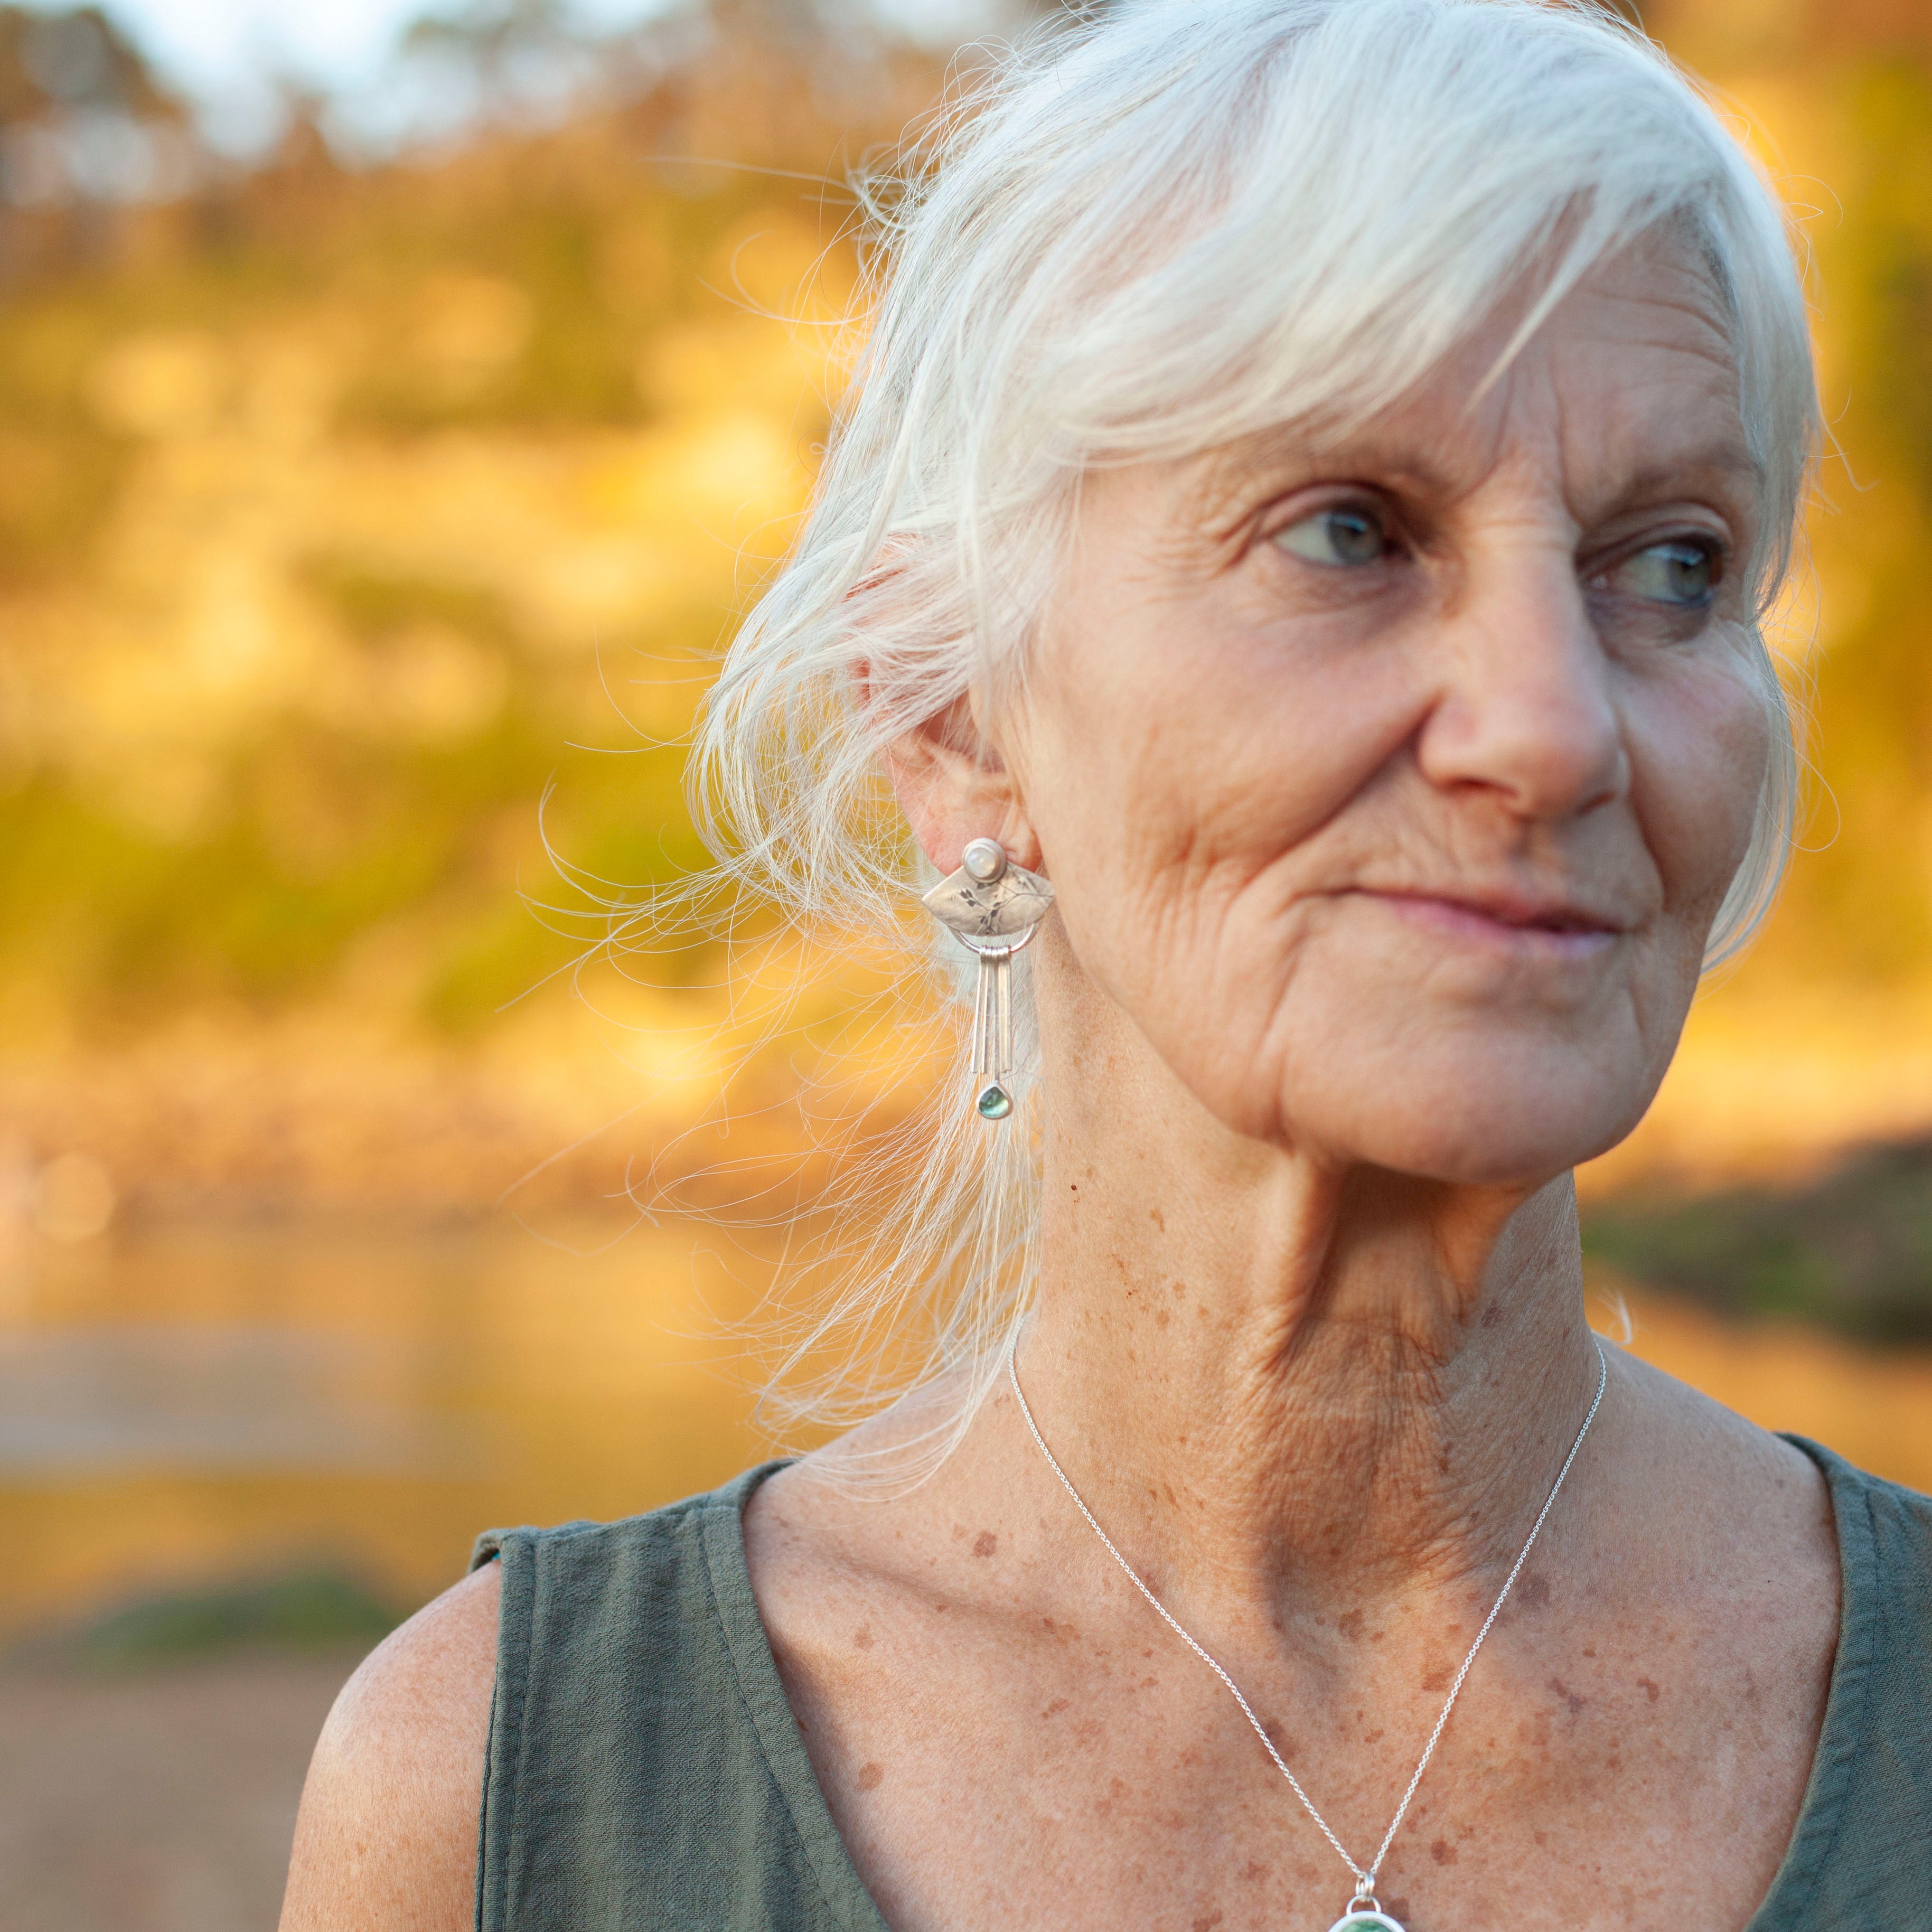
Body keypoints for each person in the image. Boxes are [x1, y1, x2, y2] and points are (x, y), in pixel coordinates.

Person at [279, 1, 1932, 1927]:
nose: (1552, 730)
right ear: (950, 710)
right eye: (1348, 531)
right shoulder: (507, 1793)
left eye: (1669, 564)